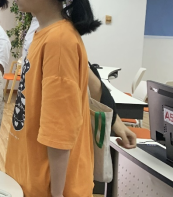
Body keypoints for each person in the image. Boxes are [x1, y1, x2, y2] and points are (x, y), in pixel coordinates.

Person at [5, 0, 101, 197]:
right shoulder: (43, 34)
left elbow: (59, 127)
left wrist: (58, 196)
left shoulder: (59, 40)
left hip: (51, 191)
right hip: (39, 179)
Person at [22, 18, 137, 149]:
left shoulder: (59, 36)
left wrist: (116, 121)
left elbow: (88, 77)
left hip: (49, 143)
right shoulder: (41, 27)